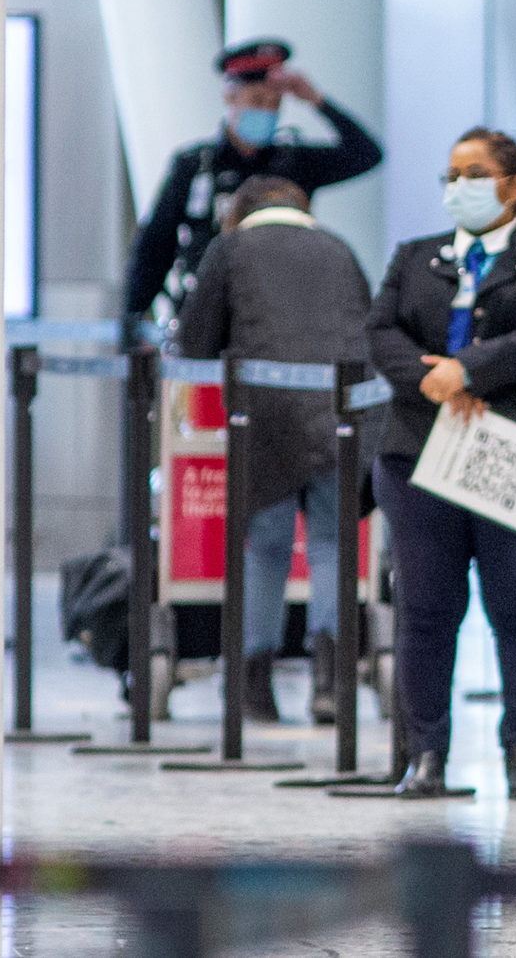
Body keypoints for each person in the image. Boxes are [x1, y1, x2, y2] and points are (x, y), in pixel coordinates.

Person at [366, 127, 516, 800]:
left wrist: (468, 370)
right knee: (426, 611)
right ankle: (425, 753)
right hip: (417, 453)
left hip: (514, 450)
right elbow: (381, 331)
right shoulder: (415, 258)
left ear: (514, 185)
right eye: (452, 174)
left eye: (476, 172)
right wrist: (430, 379)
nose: (460, 186)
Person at [174, 176, 379, 725]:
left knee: (265, 549)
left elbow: (195, 343)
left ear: (240, 211)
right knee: (334, 547)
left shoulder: (231, 248)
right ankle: (330, 683)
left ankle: (251, 689)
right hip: (343, 411)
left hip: (264, 418)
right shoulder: (339, 248)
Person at [124, 39, 384, 320]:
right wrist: (135, 314)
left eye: (275, 104)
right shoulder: (196, 165)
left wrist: (316, 100)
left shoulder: (295, 162)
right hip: (206, 309)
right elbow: (157, 242)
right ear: (231, 97)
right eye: (257, 101)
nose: (266, 111)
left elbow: (366, 154)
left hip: (281, 310)